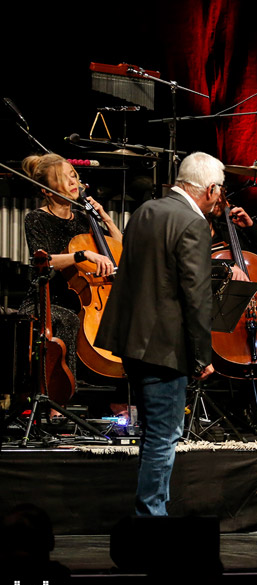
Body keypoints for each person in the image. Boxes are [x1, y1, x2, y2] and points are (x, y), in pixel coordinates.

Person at [96, 152, 220, 516]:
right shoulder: (192, 223)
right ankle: (152, 518)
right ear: (211, 189)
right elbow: (196, 296)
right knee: (163, 437)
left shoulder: (145, 211)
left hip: (132, 340)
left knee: (152, 435)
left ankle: (151, 512)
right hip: (165, 347)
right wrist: (202, 357)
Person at [19, 154, 119, 377]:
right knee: (68, 319)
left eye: (73, 176)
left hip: (81, 300)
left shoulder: (84, 220)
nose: (73, 182)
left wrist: (106, 218)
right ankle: (59, 403)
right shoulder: (36, 218)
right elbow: (43, 261)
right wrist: (83, 255)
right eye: (63, 178)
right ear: (46, 190)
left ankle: (117, 400)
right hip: (45, 301)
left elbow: (119, 252)